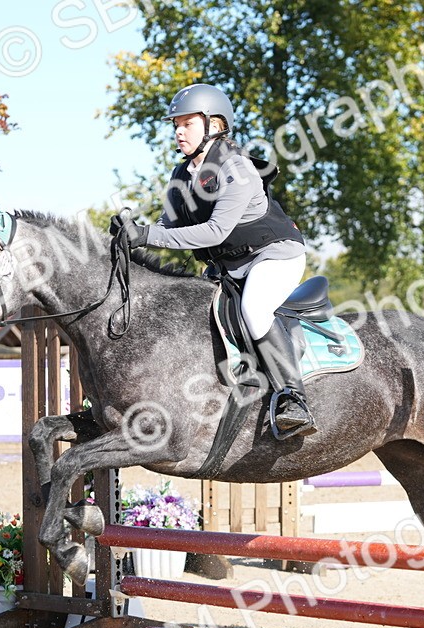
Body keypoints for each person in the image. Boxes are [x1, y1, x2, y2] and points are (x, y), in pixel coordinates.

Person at [115, 84, 316, 439]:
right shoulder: (182, 175)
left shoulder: (236, 168)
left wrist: (146, 235)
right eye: (176, 124)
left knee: (254, 309)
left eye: (187, 123)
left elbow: (215, 232)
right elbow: (167, 227)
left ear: (215, 124)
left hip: (274, 254)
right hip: (229, 267)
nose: (178, 131)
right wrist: (129, 234)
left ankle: (293, 398)